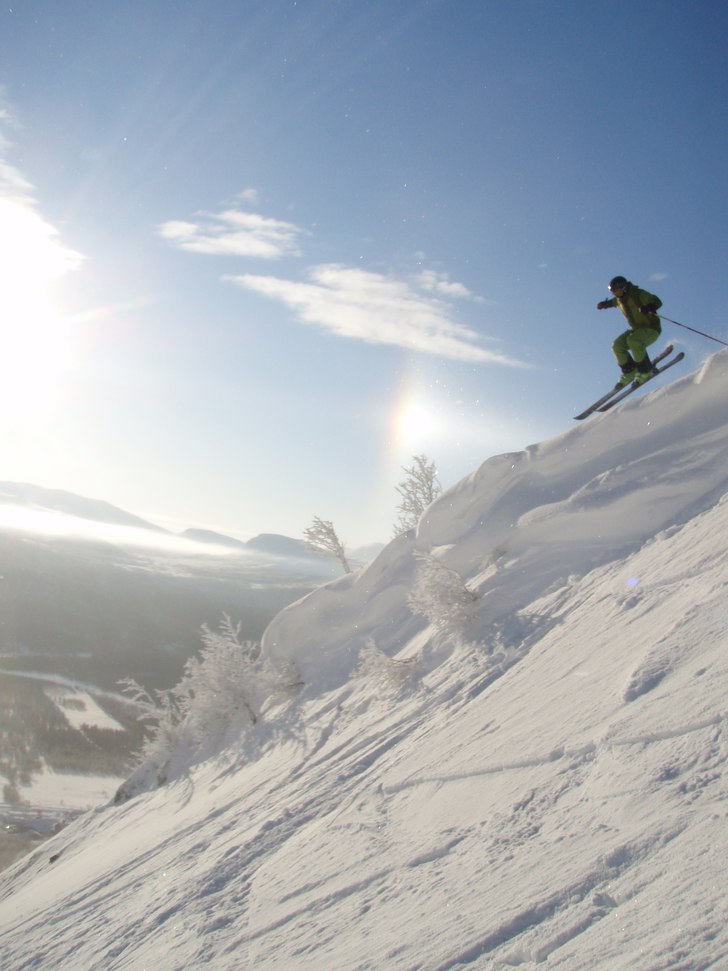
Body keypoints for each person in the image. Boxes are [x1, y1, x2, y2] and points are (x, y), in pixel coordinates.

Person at [597, 275, 663, 385]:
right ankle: (630, 371)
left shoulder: (638, 294)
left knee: (633, 341)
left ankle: (645, 371)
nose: (615, 294)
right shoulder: (619, 300)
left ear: (623, 287)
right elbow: (613, 302)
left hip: (651, 329)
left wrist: (650, 307)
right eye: (613, 292)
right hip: (637, 330)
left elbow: (656, 301)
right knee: (617, 346)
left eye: (617, 291)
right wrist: (605, 304)